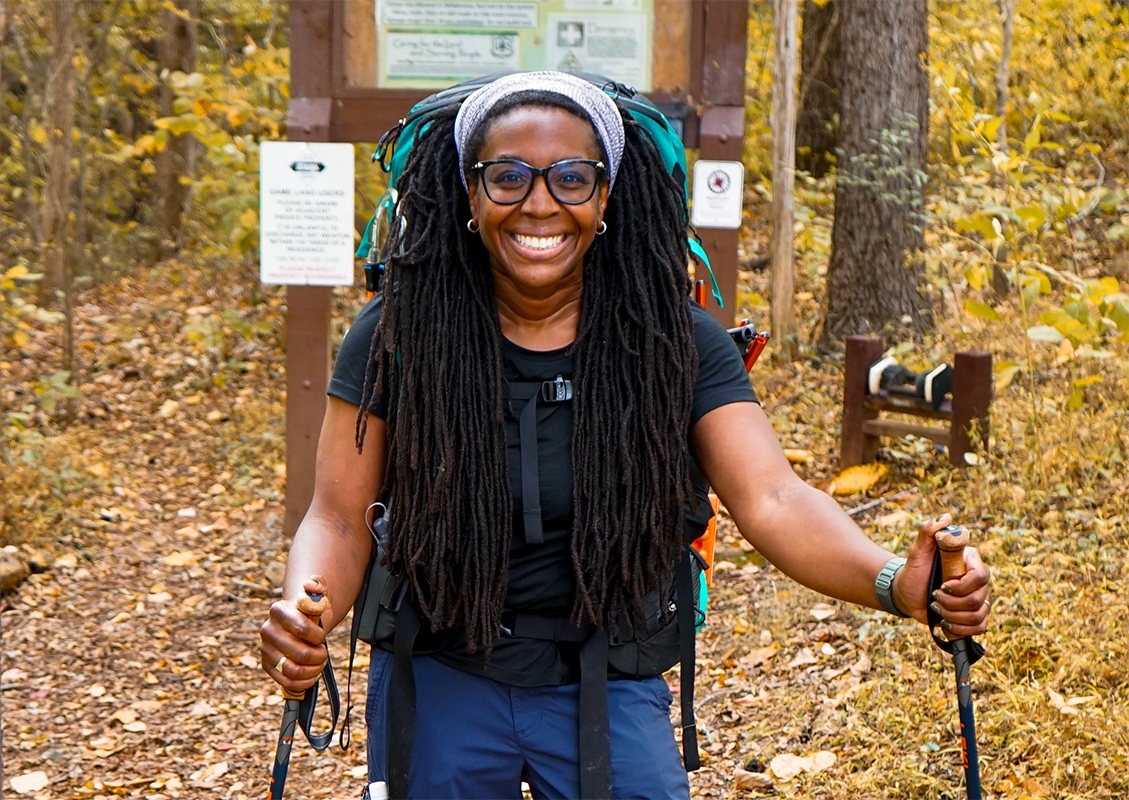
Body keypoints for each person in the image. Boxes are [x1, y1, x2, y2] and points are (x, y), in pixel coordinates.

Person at [259, 70, 992, 800]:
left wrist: (897, 582)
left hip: (606, 671)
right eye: (507, 176)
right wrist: (303, 611)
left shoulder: (672, 342)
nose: (539, 203)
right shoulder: (399, 336)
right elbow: (337, 517)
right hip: (441, 668)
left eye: (571, 178)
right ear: (469, 194)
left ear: (605, 195)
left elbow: (770, 496)